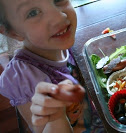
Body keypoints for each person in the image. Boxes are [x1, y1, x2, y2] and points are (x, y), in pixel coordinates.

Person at [0, 0, 104, 132]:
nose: (59, 17)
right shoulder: (23, 78)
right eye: (33, 13)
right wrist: (56, 117)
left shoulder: (60, 40)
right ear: (14, 32)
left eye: (58, 0)